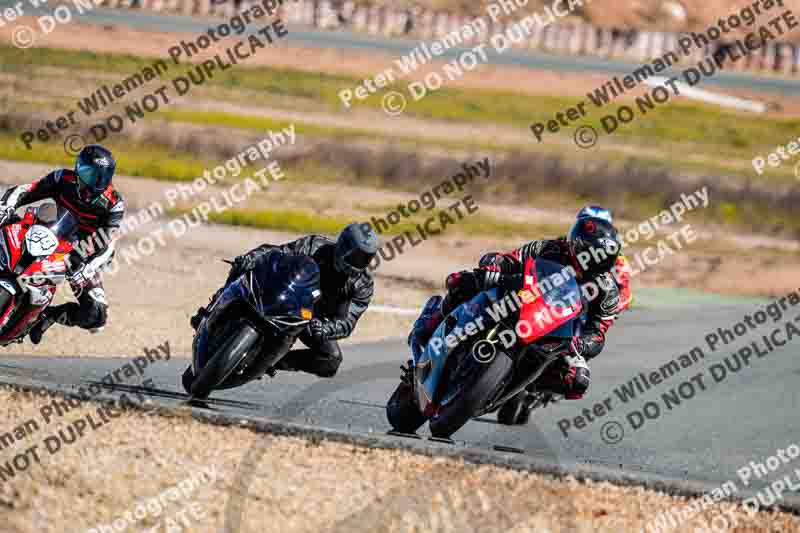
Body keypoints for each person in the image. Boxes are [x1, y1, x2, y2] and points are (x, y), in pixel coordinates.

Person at [409, 206, 629, 405]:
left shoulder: (607, 289)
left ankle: (519, 391)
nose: (594, 262)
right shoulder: (549, 248)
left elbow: (599, 332)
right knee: (463, 281)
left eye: (603, 259)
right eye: (588, 255)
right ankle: (432, 321)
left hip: (559, 334)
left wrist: (582, 344)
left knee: (578, 380)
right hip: (522, 303)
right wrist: (495, 266)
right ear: (575, 244)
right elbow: (511, 260)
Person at [190, 223, 379, 378]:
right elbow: (278, 253)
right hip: (283, 295)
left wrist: (325, 328)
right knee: (243, 267)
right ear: (343, 246)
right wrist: (251, 259)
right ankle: (212, 309)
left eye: (365, 259)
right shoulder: (315, 246)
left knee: (332, 359)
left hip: (310, 320)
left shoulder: (363, 285)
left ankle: (270, 362)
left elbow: (347, 322)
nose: (358, 262)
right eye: (355, 256)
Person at [0, 145, 124, 344]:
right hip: (50, 232)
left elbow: (107, 238)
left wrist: (84, 262)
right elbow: (28, 190)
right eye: (89, 173)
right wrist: (6, 206)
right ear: (78, 168)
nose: (94, 181)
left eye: (101, 176)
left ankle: (49, 316)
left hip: (82, 254)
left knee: (96, 316)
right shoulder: (62, 179)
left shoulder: (113, 203)